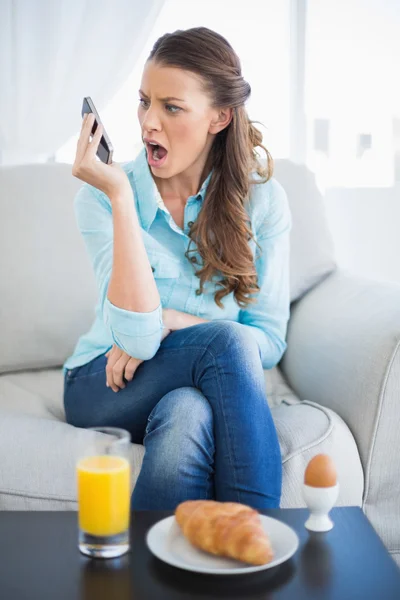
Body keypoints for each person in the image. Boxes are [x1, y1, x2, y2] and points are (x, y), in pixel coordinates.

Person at [63, 26, 292, 511]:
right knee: (226, 341)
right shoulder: (102, 196)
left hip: (190, 380)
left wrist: (176, 320)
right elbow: (139, 339)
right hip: (102, 382)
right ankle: (258, 544)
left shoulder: (264, 201)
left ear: (219, 117)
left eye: (171, 107)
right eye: (144, 102)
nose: (148, 122)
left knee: (187, 410)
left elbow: (269, 342)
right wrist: (121, 198)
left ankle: (157, 576)